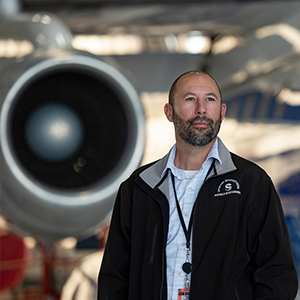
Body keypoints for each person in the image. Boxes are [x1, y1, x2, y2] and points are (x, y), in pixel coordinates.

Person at [98, 70, 298, 299]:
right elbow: (114, 279)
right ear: (169, 112)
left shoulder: (251, 184)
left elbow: (277, 275)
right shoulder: (139, 187)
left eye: (210, 99)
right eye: (190, 99)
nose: (201, 109)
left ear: (221, 112)